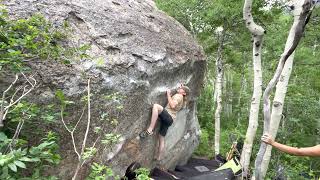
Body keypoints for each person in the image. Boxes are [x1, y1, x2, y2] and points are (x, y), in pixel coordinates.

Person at [139, 83, 190, 162]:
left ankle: (150, 129)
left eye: (182, 89)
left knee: (156, 106)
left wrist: (168, 94)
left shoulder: (179, 96)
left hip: (168, 116)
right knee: (161, 138)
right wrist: (181, 87)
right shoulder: (182, 98)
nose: (180, 88)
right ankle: (158, 157)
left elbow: (172, 105)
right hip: (170, 120)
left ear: (184, 93)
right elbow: (181, 91)